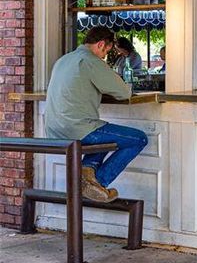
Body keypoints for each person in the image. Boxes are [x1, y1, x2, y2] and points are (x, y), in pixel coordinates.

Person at [45, 26, 148, 202]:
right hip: (78, 129)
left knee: (103, 132)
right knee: (138, 139)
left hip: (54, 130)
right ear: (101, 44)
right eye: (106, 51)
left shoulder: (63, 60)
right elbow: (123, 92)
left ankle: (88, 171)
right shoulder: (91, 61)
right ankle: (98, 181)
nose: (105, 56)